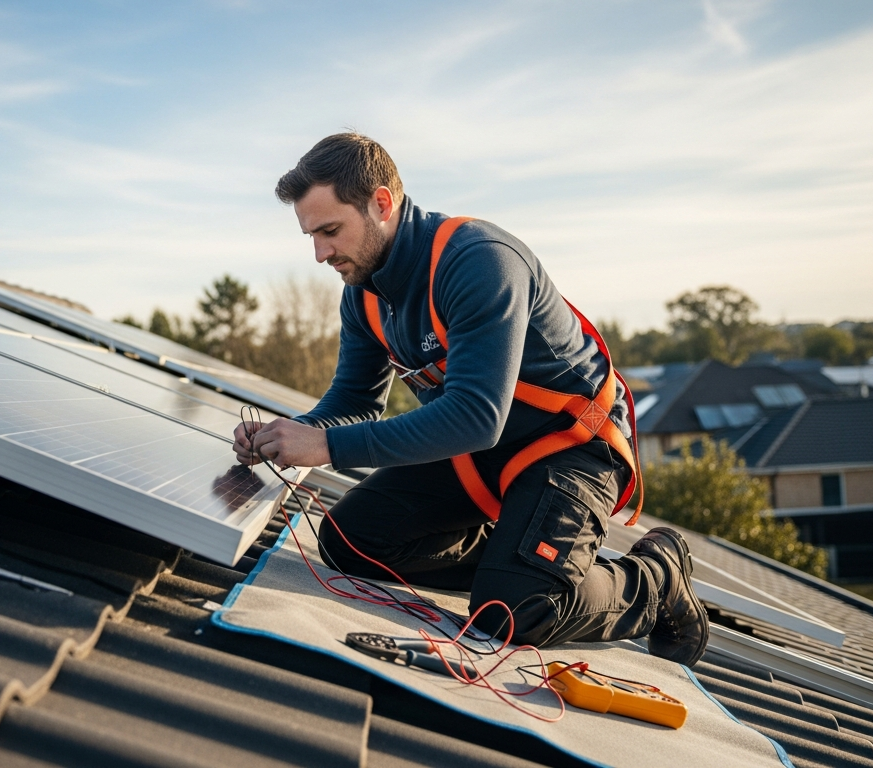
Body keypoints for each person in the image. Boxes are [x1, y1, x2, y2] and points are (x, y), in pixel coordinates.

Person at [234, 133, 708, 665]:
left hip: (570, 446)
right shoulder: (363, 296)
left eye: (330, 231)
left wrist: (325, 446)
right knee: (350, 540)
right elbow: (354, 401)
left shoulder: (478, 260)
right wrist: (284, 434)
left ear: (381, 204)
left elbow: (476, 416)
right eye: (311, 236)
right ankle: (521, 559)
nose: (321, 254)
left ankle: (656, 577)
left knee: (512, 612)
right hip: (483, 454)